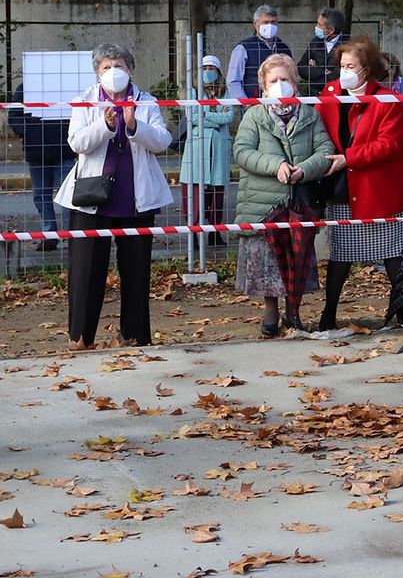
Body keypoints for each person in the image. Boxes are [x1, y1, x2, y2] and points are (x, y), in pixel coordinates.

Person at [56, 43, 173, 350]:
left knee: (136, 270)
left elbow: (162, 140)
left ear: (130, 70)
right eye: (106, 67)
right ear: (98, 72)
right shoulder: (85, 101)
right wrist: (106, 125)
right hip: (91, 196)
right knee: (85, 270)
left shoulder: (146, 101)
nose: (113, 72)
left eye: (119, 66)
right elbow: (77, 142)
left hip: (136, 197)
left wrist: (135, 125)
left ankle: (135, 335)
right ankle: (80, 337)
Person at [316, 35, 403, 332]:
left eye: (351, 66)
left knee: (392, 253)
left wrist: (349, 157)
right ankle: (328, 312)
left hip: (379, 189)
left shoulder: (386, 100)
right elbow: (318, 127)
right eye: (342, 65)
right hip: (343, 187)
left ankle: (402, 310)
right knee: (341, 255)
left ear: (367, 70)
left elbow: (389, 144)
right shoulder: (330, 92)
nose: (344, 70)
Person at [232, 55, 334, 335]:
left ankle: (294, 310)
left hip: (299, 202)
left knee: (297, 259)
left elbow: (325, 150)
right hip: (263, 203)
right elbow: (242, 152)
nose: (280, 85)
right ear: (263, 87)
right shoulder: (254, 115)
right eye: (273, 81)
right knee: (268, 261)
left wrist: (304, 169)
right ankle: (270, 308)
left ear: (295, 82)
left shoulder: (310, 114)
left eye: (284, 79)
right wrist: (274, 165)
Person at [179, 54, 235, 247]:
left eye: (212, 69)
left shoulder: (225, 93)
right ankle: (192, 234)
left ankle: (214, 232)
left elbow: (229, 117)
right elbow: (193, 117)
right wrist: (214, 117)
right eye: (205, 69)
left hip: (218, 147)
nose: (209, 72)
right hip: (197, 146)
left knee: (216, 192)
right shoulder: (193, 92)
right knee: (193, 192)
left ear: (218, 72)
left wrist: (206, 115)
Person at [8, 81, 73, 246]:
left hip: (64, 149)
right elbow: (14, 117)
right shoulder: (25, 88)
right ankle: (49, 235)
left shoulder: (65, 87)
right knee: (41, 196)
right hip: (37, 150)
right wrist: (30, 132)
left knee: (68, 194)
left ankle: (72, 235)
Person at [227, 4, 293, 99]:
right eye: (266, 22)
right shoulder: (243, 48)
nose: (270, 26)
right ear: (255, 24)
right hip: (253, 103)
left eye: (273, 22)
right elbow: (233, 81)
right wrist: (245, 103)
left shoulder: (283, 48)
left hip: (281, 104)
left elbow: (292, 78)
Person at [297, 7, 346, 94]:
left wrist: (313, 75)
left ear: (331, 30)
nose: (316, 27)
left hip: (336, 96)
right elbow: (301, 67)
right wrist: (323, 71)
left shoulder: (347, 46)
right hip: (313, 96)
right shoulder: (315, 42)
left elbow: (337, 76)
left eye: (319, 25)